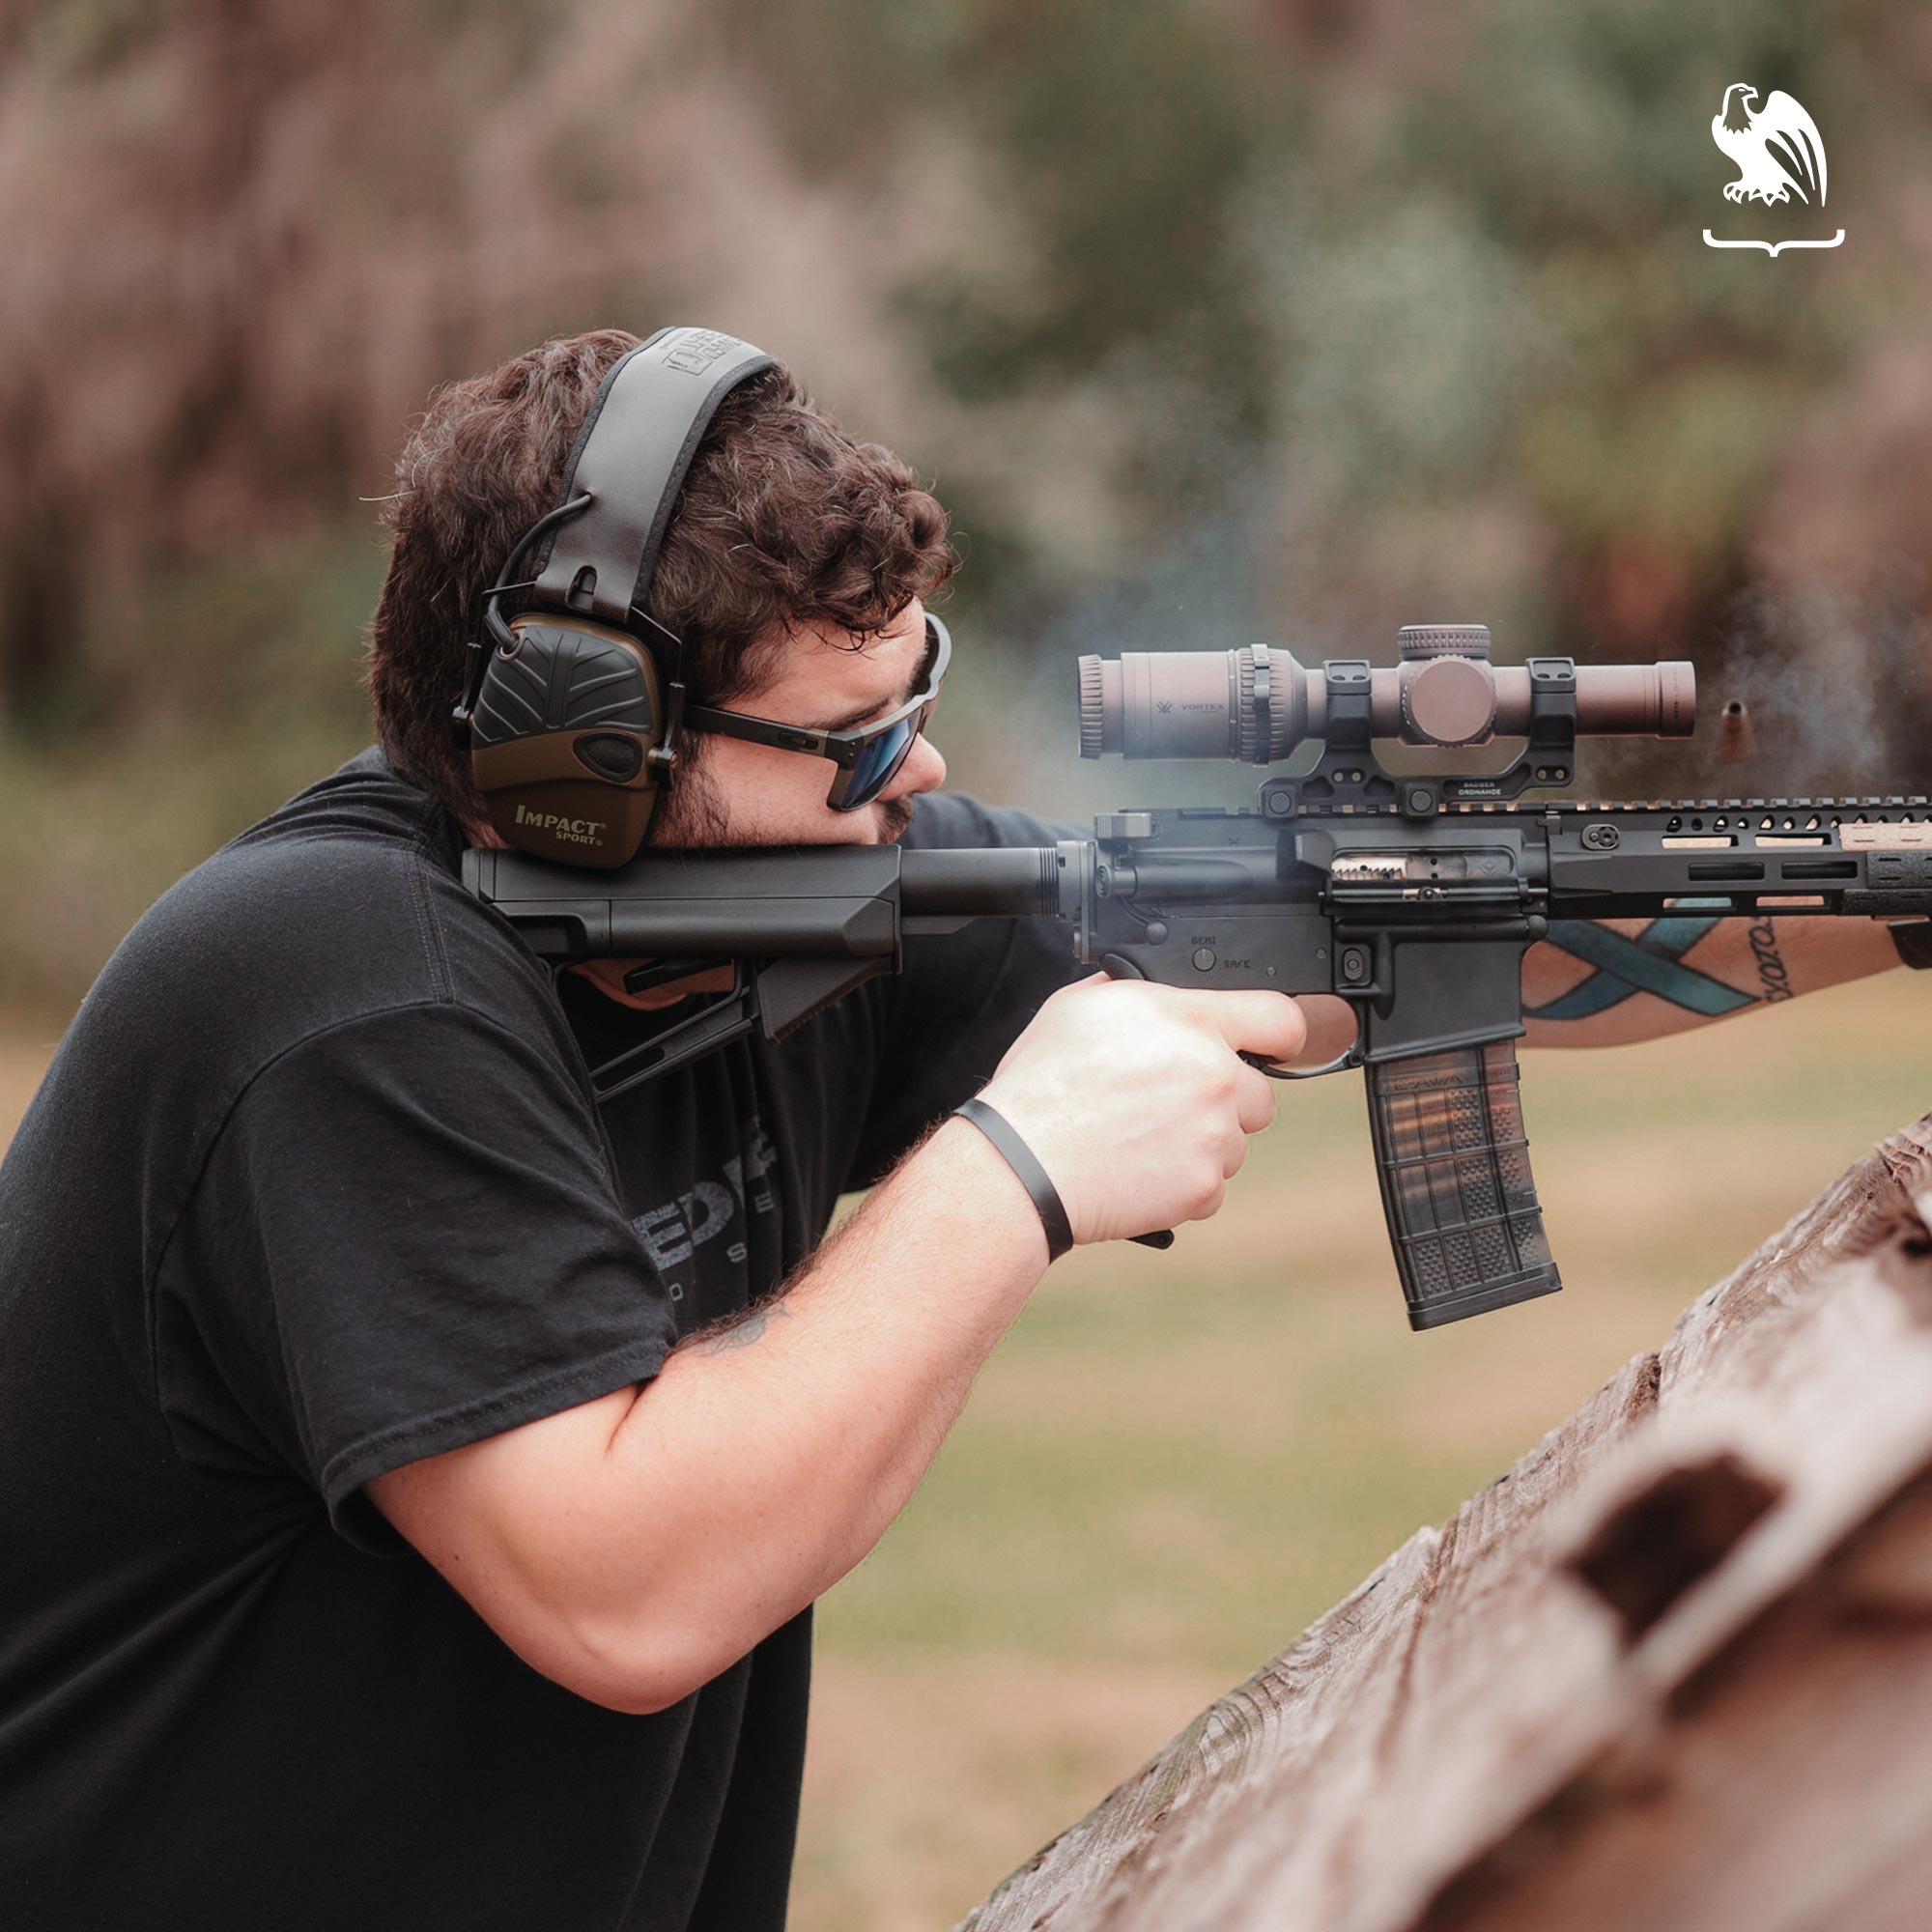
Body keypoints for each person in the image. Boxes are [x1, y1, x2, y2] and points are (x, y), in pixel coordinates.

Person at [0, 327, 1914, 1931]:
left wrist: (1887, 903)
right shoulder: (343, 992)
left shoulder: (826, 891)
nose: (917, 767)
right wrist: (1013, 1171)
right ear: (583, 770)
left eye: (912, 691)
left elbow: (1415, 952)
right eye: (848, 739)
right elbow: (624, 1583)